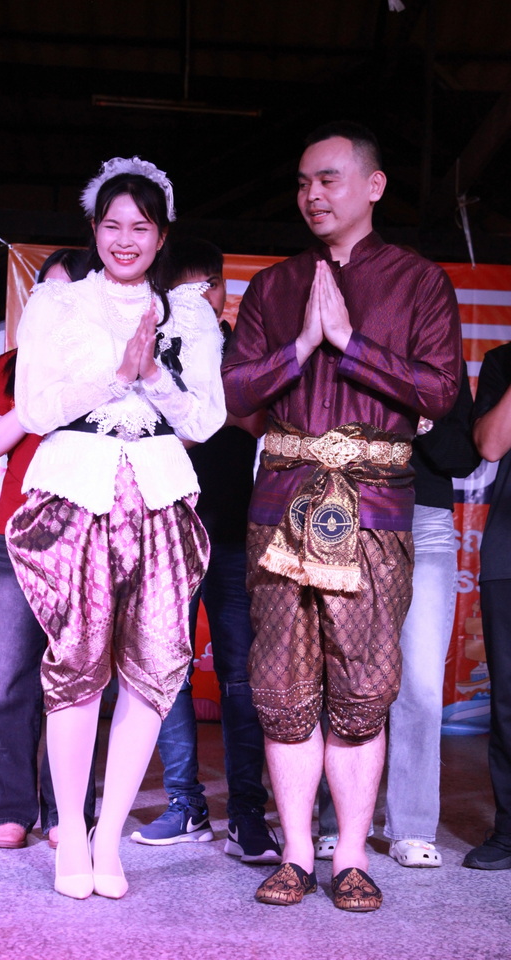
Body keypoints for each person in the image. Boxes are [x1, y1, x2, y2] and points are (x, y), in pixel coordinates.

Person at [221, 122, 462, 911]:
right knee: (282, 687)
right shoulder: (273, 285)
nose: (312, 195)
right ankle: (297, 853)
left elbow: (440, 392)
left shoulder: (420, 282)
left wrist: (350, 342)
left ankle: (351, 855)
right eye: (302, 183)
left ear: (373, 185)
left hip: (377, 510)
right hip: (281, 506)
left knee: (363, 689)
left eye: (327, 178)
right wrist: (301, 346)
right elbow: (233, 392)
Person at [6, 157, 226, 900]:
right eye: (111, 225)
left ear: (162, 236)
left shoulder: (188, 313)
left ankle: (109, 837)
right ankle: (71, 829)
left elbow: (207, 420)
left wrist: (154, 374)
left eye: (140, 226)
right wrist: (116, 375)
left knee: (155, 665)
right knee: (77, 658)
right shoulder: (58, 303)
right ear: (93, 230)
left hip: (159, 494)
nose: (124, 239)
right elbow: (34, 408)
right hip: (79, 489)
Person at [131, 238, 280, 864]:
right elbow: (154, 429)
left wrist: (210, 404)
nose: (199, 297)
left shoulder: (242, 350)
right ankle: (185, 804)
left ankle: (247, 813)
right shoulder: (156, 345)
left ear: (223, 290)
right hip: (169, 526)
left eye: (208, 285)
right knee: (168, 669)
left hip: (235, 532)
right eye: (186, 287)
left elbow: (258, 422)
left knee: (242, 675)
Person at [315, 361, 480, 867]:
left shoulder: (440, 365)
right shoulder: (349, 351)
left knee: (421, 688)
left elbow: (462, 457)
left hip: (424, 521)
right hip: (352, 512)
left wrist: (419, 415)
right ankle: (336, 824)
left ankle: (412, 828)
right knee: (343, 676)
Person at [0, 248, 97, 851]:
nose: (51, 303)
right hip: (14, 535)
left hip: (83, 539)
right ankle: (13, 807)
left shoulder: (103, 370)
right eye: (43, 292)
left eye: (65, 293)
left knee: (76, 678)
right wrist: (39, 394)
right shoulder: (11, 366)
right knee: (10, 679)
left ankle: (67, 811)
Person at [463, 342, 511, 870]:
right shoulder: (503, 362)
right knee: (509, 702)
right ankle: (509, 831)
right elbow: (491, 446)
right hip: (509, 553)